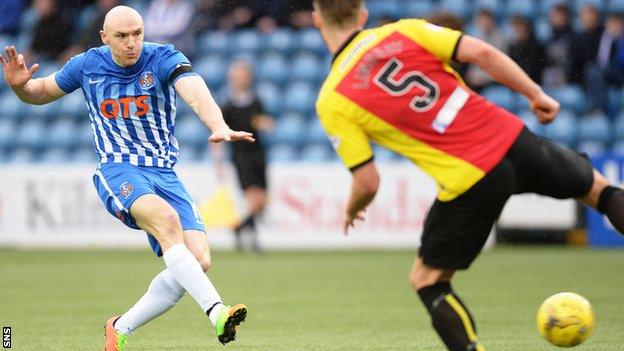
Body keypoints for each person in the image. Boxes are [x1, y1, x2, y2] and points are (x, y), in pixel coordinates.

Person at [311, 1, 624, 350]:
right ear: (362, 14)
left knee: (428, 280)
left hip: (470, 176)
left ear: (316, 19)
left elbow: (368, 181)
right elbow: (483, 53)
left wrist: (353, 207)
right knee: (600, 189)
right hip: (510, 136)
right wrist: (535, 94)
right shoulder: (402, 31)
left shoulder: (332, 99)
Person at [0, 6, 253, 350]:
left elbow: (194, 89)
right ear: (105, 37)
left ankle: (120, 327)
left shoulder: (163, 57)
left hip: (164, 172)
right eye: (122, 36)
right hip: (118, 168)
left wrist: (218, 124)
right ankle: (216, 311)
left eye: (137, 33)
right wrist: (20, 88)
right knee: (166, 221)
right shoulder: (87, 65)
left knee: (199, 260)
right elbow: (41, 91)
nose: (132, 43)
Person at [212, 59, 273, 252]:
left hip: (258, 154)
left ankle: (239, 226)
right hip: (241, 156)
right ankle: (253, 240)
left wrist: (264, 123)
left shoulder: (256, 100)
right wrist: (218, 158)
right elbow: (219, 131)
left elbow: (262, 120)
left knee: (262, 201)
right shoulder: (228, 105)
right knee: (253, 199)